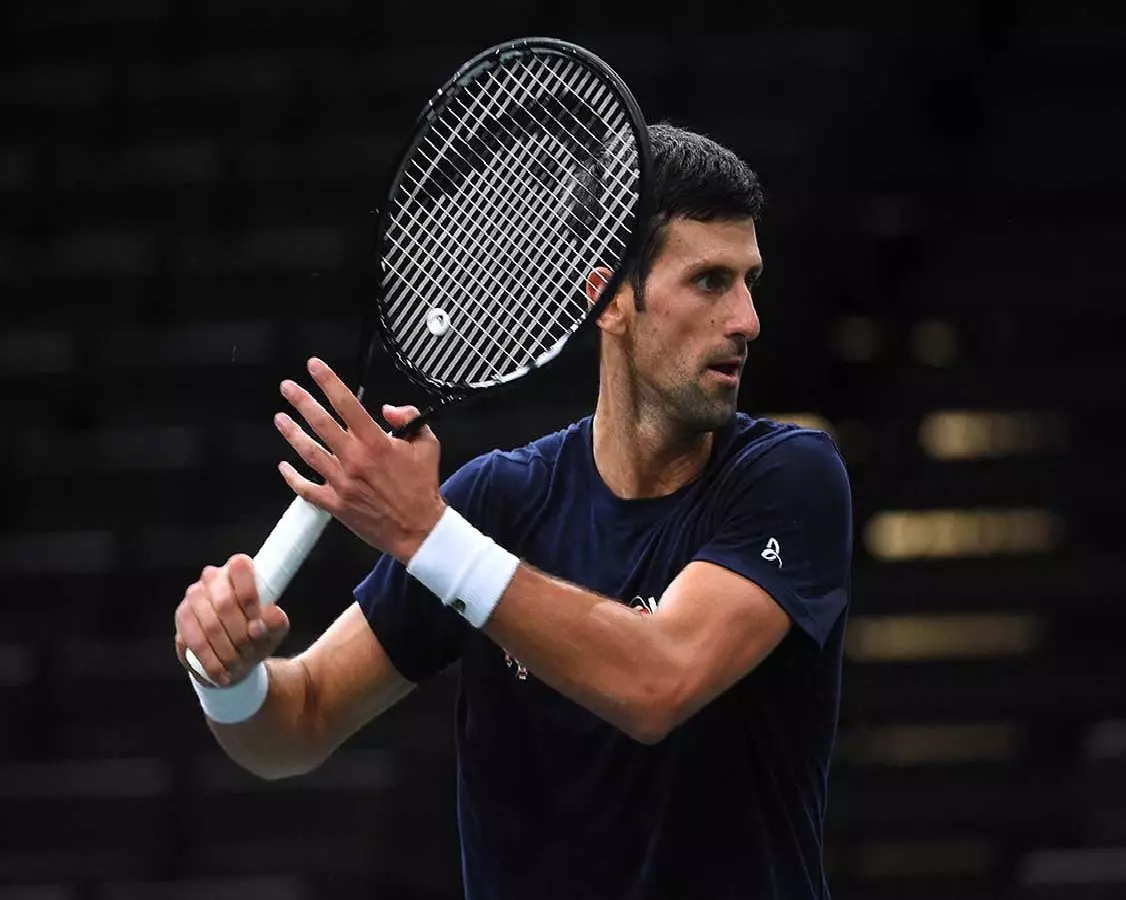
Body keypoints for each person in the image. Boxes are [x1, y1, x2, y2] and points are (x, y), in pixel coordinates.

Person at [174, 122, 853, 900]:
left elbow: (659, 681)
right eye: (708, 282)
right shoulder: (498, 501)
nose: (746, 321)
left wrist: (427, 535)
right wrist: (227, 678)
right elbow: (300, 721)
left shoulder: (789, 480)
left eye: (749, 281)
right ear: (606, 299)